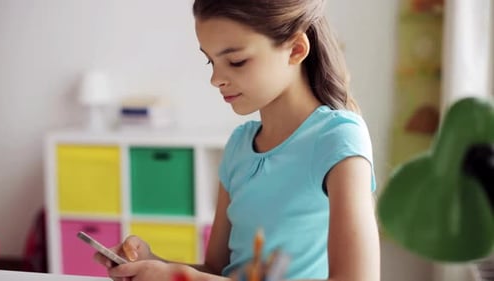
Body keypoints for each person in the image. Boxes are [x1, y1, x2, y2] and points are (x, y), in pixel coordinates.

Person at [95, 0, 380, 280]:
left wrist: (180, 278)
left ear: (295, 49)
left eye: (236, 61)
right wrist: (151, 263)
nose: (216, 78)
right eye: (211, 61)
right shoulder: (239, 146)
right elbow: (218, 271)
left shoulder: (338, 137)